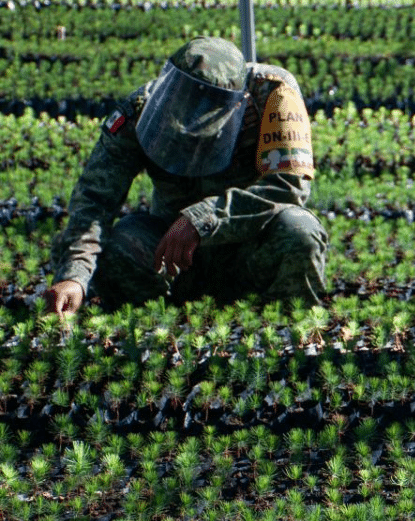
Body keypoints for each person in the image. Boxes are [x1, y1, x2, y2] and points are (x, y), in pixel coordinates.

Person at [42, 37, 328, 318]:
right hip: (174, 257)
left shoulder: (272, 94)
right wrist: (74, 275)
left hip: (248, 249)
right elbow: (95, 199)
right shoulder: (141, 110)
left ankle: (290, 337)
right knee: (122, 244)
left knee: (299, 230)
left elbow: (288, 187)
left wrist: (201, 219)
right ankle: (153, 335)